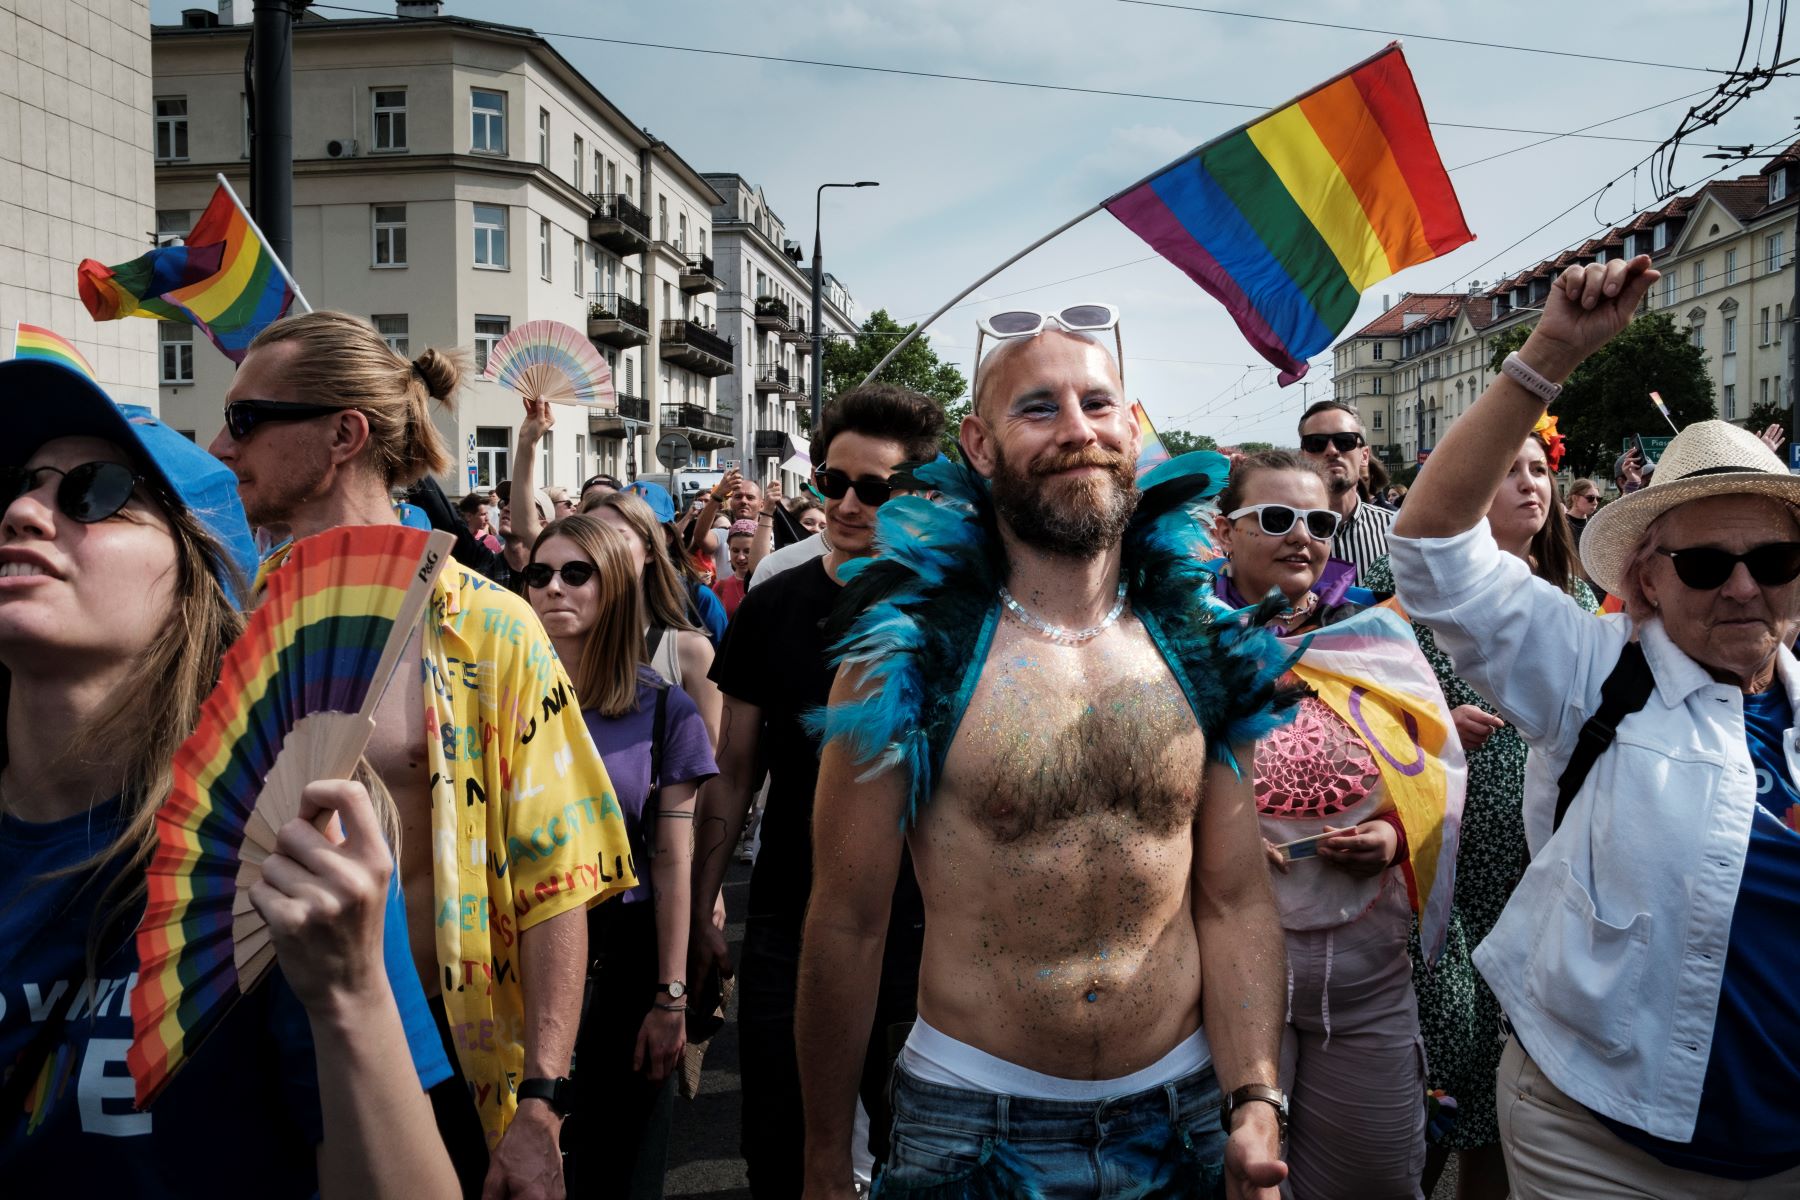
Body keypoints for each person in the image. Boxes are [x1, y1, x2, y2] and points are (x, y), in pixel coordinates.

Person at [795, 318, 1291, 1199]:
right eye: (1038, 408)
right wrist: (828, 1160)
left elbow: (1235, 895)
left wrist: (1254, 1096)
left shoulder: (1198, 642)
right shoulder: (903, 658)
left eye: (1098, 402)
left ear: (1131, 429)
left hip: (1181, 1115)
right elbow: (847, 922)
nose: (1077, 429)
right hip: (970, 1126)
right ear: (979, 447)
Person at [1392, 254, 1800, 1196]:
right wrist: (1550, 353)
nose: (1742, 585)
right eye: (1705, 564)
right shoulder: (1594, 672)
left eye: (1773, 557)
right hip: (1600, 1143)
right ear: (1647, 580)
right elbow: (1430, 555)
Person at [0, 356, 456, 1196]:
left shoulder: (290, 851)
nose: (23, 513)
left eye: (94, 492)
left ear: (196, 584)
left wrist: (348, 991)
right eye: (12, 485)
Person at [208, 311, 636, 1197]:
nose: (219, 443)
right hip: (252, 1049)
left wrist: (541, 1104)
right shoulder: (230, 624)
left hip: (439, 1054)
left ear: (343, 435)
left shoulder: (490, 626)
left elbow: (555, 876)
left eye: (248, 420)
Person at [691, 384, 943, 1198]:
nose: (844, 503)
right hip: (791, 918)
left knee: (919, 1156)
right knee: (786, 1152)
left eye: (874, 489)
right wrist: (701, 905)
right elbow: (736, 767)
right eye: (832, 482)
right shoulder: (773, 603)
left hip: (926, 927)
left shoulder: (952, 615)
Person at [1212, 450, 1463, 1199]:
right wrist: (1215, 845)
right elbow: (1139, 789)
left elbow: (1434, 769)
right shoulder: (1178, 642)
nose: (1302, 537)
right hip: (1231, 987)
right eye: (1277, 519)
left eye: (1319, 521)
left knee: (1380, 1182)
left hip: (1368, 981)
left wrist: (1393, 839)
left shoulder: (1373, 637)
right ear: (1224, 531)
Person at [1363, 419, 1597, 1199]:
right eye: (1508, 469)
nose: (1530, 483)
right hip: (1455, 883)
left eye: (1539, 468)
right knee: (1459, 1085)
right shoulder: (1415, 613)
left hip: (1553, 875)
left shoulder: (1589, 601)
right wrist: (1433, 737)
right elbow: (1363, 733)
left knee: (1532, 1084)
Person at [525, 514, 718, 1198]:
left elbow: (672, 860)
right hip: (515, 958)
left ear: (614, 589)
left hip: (624, 958)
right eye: (539, 574)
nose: (553, 588)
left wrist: (671, 996)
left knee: (619, 1168)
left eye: (576, 574)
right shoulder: (494, 706)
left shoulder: (666, 711)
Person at [586, 490, 723, 746]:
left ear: (650, 550)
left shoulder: (691, 650)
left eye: (616, 537)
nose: (600, 549)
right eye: (588, 538)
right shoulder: (558, 643)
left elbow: (707, 764)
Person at [1298, 401, 1394, 583]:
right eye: (1316, 443)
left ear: (1364, 456)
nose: (1332, 451)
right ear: (1302, 456)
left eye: (1345, 441)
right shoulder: (1281, 532)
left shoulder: (1395, 530)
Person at [717, 518, 757, 618]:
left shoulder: (771, 583)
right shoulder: (720, 587)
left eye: (747, 551)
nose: (741, 557)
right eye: (735, 550)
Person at [1563, 478, 1600, 543]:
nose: (1595, 502)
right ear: (1575, 498)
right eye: (1590, 498)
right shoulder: (1560, 524)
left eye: (1598, 499)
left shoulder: (1597, 524)